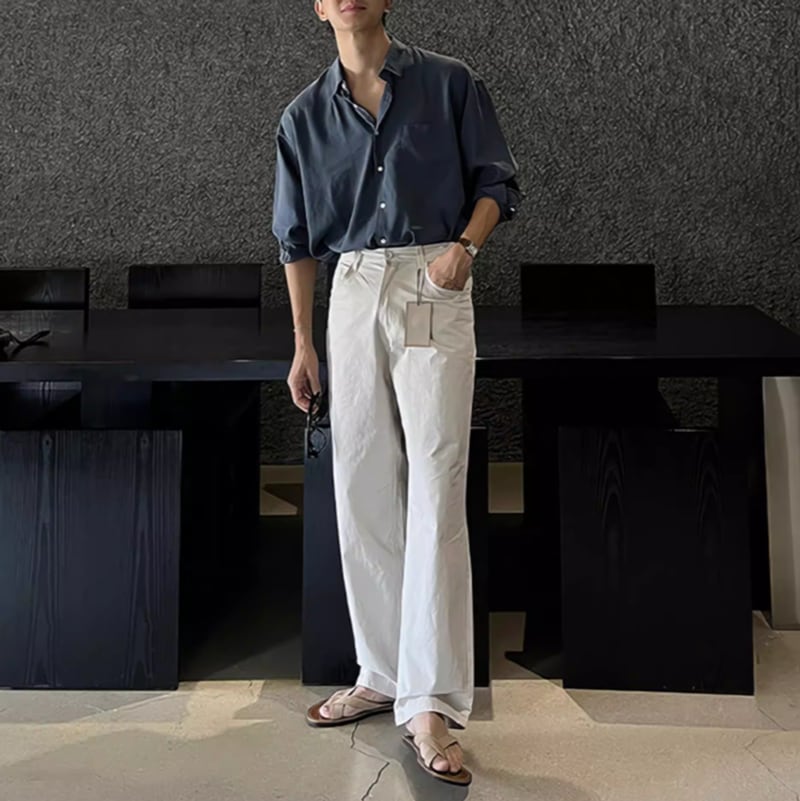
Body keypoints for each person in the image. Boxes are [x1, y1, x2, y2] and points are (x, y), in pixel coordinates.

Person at [272, 0, 522, 786]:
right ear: (319, 7)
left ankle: (430, 703)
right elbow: (295, 238)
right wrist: (304, 342)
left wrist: (464, 250)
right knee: (362, 485)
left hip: (431, 281)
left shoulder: (449, 83)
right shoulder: (303, 117)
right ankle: (382, 671)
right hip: (352, 290)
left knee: (437, 485)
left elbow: (497, 181)